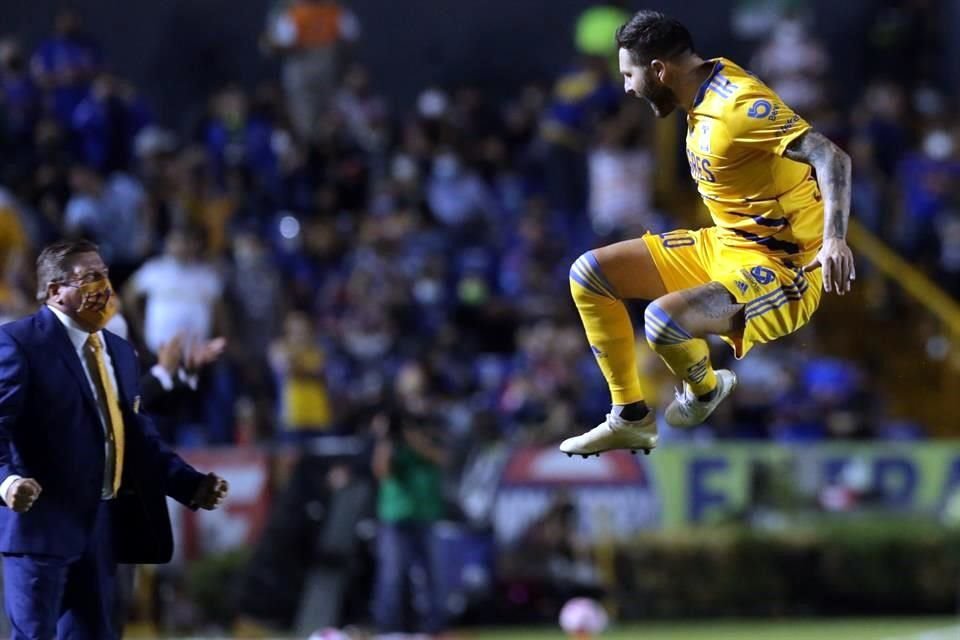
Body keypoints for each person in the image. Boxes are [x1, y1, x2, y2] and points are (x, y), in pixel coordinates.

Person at [560, 11, 854, 456]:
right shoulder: (701, 87)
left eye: (629, 75)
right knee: (590, 274)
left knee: (662, 322)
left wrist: (834, 239)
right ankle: (630, 418)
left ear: (659, 70)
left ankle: (705, 390)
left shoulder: (737, 104)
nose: (626, 88)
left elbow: (831, 157)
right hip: (724, 244)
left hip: (784, 270)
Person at [0, 239, 229, 639]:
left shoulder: (120, 351)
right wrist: (7, 481)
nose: (105, 285)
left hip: (100, 527)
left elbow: (138, 439)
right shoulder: (20, 342)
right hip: (40, 527)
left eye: (105, 274)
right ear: (55, 290)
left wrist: (189, 484)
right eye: (90, 277)